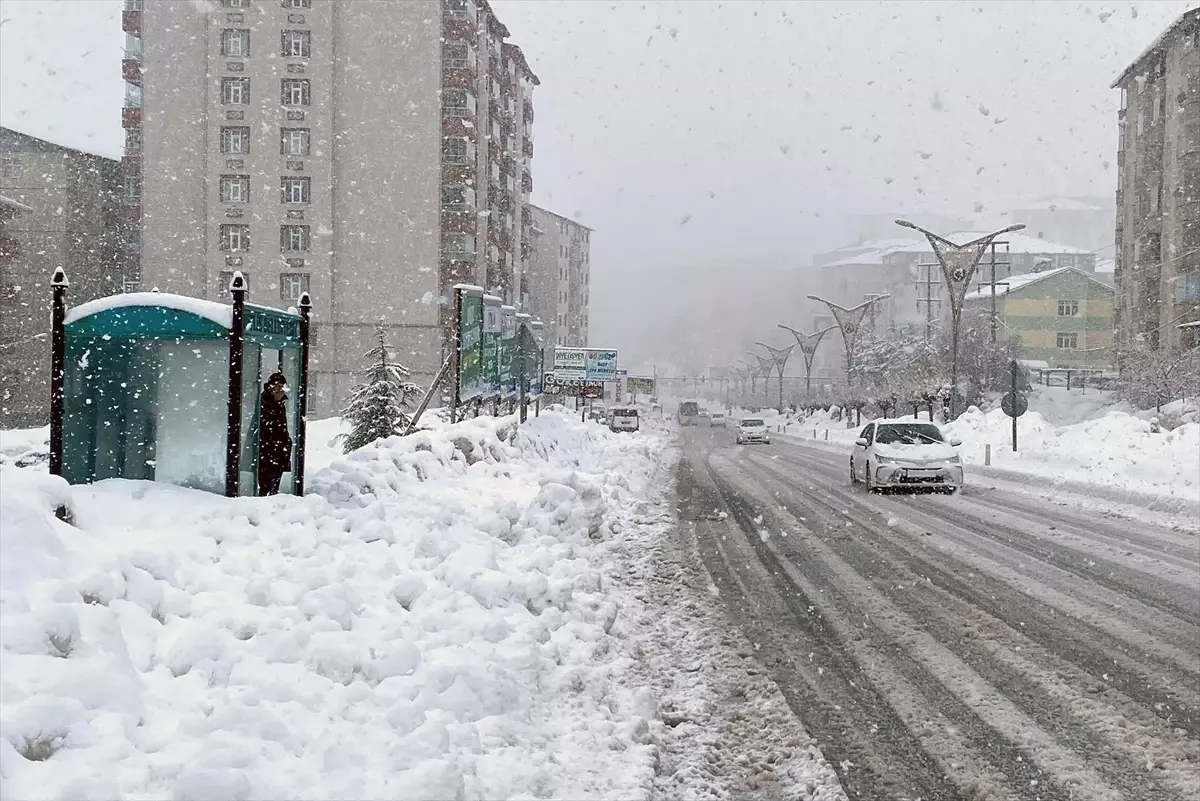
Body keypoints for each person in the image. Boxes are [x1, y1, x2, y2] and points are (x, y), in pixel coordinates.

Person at [258, 372, 292, 496]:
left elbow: (282, 427)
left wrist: (286, 444)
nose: (279, 390)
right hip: (267, 452)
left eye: (282, 387)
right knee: (265, 485)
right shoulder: (264, 403)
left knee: (274, 486)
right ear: (270, 387)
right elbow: (265, 427)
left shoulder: (280, 404)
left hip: (278, 452)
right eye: (276, 386)